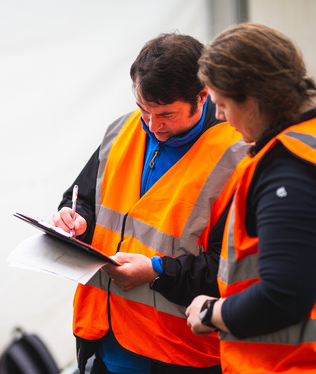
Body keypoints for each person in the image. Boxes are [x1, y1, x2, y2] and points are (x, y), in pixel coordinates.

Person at [52, 32, 250, 374]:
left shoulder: (239, 159)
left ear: (203, 96)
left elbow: (232, 271)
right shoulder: (122, 131)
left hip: (178, 354)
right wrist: (75, 220)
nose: (153, 126)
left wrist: (156, 273)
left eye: (167, 115)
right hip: (104, 338)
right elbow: (81, 197)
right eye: (144, 109)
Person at [185, 23, 316, 373]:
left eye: (222, 104)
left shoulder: (289, 168)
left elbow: (284, 296)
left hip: (305, 361)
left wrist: (211, 313)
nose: (220, 117)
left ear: (253, 98)